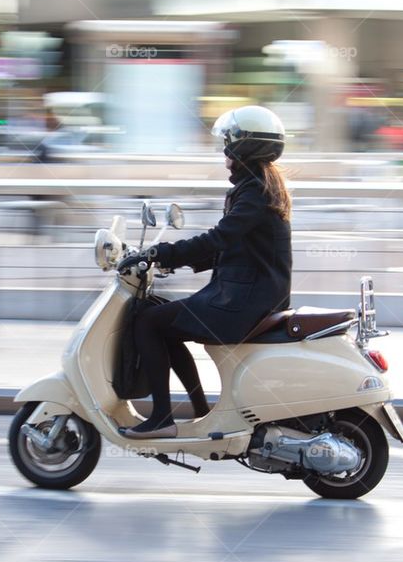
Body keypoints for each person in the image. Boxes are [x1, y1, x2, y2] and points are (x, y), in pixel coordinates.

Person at [116, 105, 293, 439]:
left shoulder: (254, 192)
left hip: (243, 302)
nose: (223, 152)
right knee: (160, 319)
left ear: (243, 148)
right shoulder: (257, 188)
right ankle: (199, 412)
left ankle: (162, 419)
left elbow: (219, 238)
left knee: (148, 322)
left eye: (227, 144)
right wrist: (171, 260)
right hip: (247, 294)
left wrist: (160, 251)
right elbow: (236, 247)